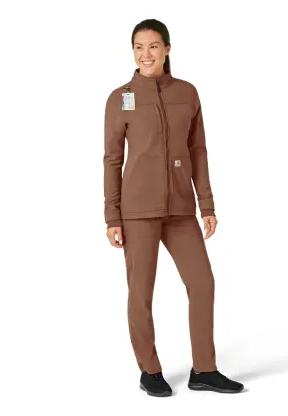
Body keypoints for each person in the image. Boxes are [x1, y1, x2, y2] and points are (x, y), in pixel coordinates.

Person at [103, 18, 244, 397]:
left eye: (153, 46)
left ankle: (205, 370)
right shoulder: (121, 98)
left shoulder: (187, 92)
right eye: (138, 47)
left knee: (202, 283)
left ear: (167, 49)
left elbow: (198, 151)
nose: (145, 54)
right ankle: (149, 371)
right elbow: (112, 159)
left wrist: (206, 204)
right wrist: (112, 215)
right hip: (137, 211)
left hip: (180, 209)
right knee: (140, 293)